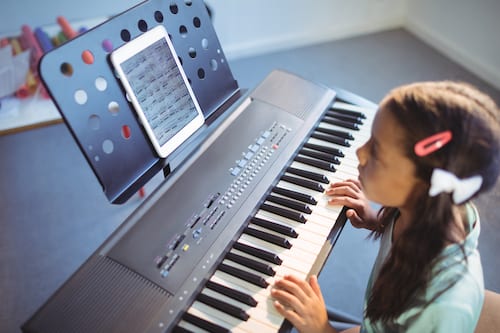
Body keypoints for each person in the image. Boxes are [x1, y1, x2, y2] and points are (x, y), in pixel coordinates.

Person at [270, 81, 500, 333]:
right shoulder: (435, 207)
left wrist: (324, 329)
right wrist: (378, 220)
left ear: (424, 183)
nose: (359, 152)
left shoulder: (439, 309)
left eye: (376, 152)